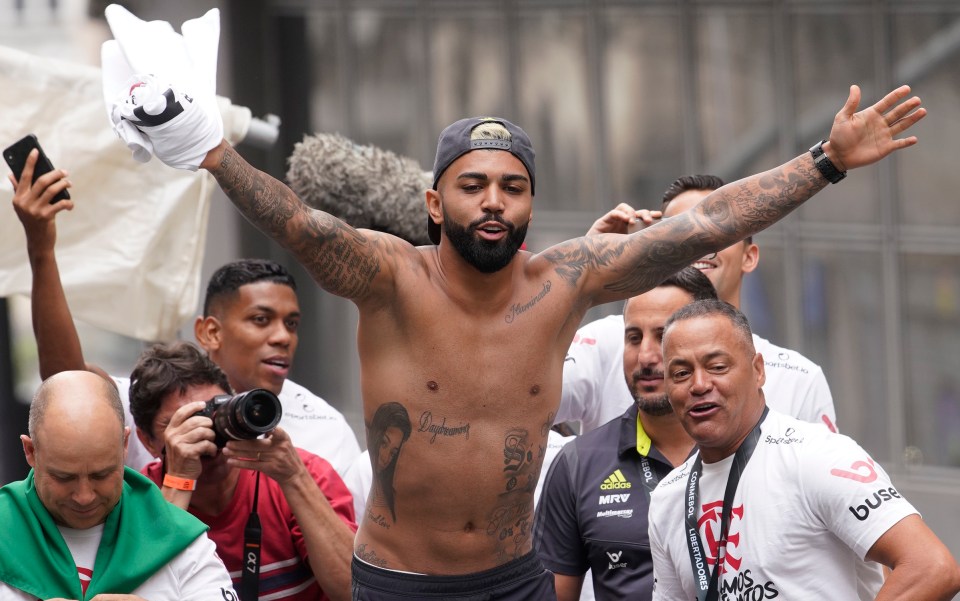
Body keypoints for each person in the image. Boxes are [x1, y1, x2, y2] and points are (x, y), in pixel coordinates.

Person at [120, 66, 924, 597]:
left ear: (532, 206)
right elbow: (300, 223)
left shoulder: (564, 282)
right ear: (437, 204)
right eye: (472, 185)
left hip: (514, 578)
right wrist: (213, 153)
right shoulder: (391, 277)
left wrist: (826, 161)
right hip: (400, 579)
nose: (494, 201)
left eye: (513, 186)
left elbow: (702, 224)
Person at [10, 151, 360, 475]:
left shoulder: (325, 430)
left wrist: (293, 477)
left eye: (292, 324)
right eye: (261, 319)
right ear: (209, 332)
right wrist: (41, 248)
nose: (283, 337)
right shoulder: (150, 402)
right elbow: (66, 382)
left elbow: (345, 540)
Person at [648, 300, 960, 600]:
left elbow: (932, 568)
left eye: (717, 366)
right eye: (681, 373)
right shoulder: (668, 498)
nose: (699, 384)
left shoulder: (816, 456)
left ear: (758, 370)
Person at [560, 174, 836, 435]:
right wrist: (580, 271)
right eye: (679, 229)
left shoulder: (799, 379)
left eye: (719, 228)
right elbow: (520, 401)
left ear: (749, 257)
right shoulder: (602, 343)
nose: (696, 243)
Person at [535, 267, 715, 601]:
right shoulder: (578, 465)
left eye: (662, 336)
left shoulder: (758, 453)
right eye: (634, 337)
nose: (645, 356)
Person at [128, 341, 357, 601]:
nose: (207, 432)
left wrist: (294, 479)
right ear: (146, 441)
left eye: (212, 413)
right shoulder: (137, 499)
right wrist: (179, 480)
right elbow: (141, 593)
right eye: (186, 423)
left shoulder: (302, 473)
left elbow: (353, 592)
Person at [0, 370, 237, 600]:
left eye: (101, 475)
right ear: (30, 451)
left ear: (125, 444)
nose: (85, 496)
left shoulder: (181, 540)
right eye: (65, 477)